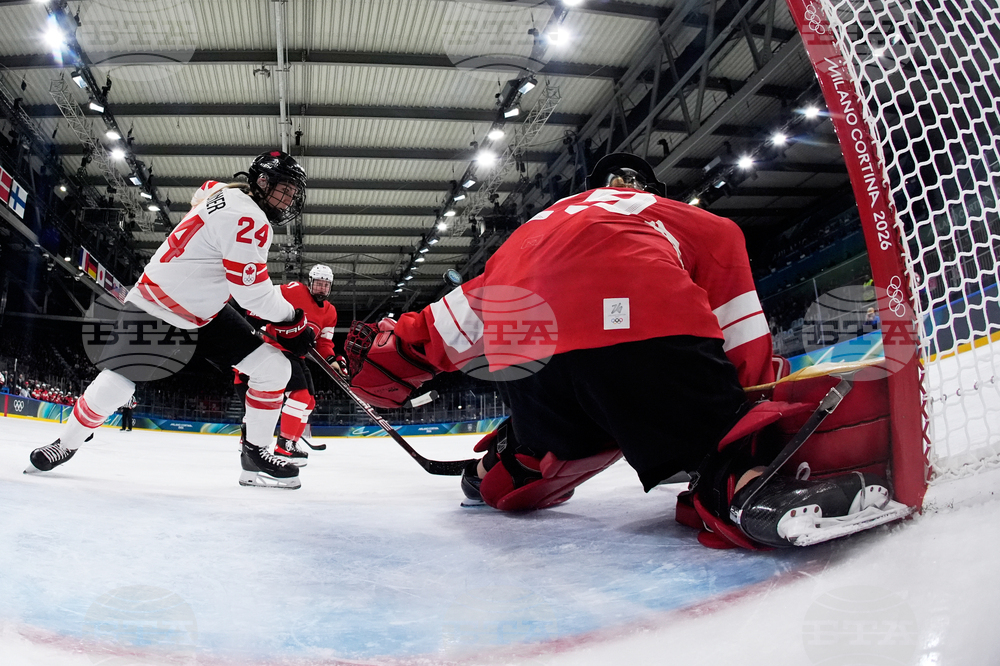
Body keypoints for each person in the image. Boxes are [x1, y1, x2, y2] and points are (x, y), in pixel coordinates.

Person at [345, 153, 895, 548]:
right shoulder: (671, 214)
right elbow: (737, 308)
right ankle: (749, 490)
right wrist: (742, 407)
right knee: (715, 446)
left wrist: (396, 365)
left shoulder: (530, 232)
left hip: (530, 362)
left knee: (546, 445)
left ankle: (501, 468)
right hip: (642, 338)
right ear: (649, 188)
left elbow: (457, 316)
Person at [25, 151, 316, 489]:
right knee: (117, 384)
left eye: (294, 192)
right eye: (285, 189)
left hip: (204, 313)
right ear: (262, 183)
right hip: (157, 308)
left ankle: (255, 452)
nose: (289, 198)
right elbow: (252, 296)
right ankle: (67, 443)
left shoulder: (225, 192)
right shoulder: (250, 219)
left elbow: (203, 191)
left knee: (274, 368)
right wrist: (293, 319)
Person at [234, 263, 344, 465]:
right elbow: (263, 300)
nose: (322, 289)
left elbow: (324, 343)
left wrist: (332, 360)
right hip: (277, 350)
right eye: (319, 284)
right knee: (299, 396)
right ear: (310, 282)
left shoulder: (330, 312)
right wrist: (254, 320)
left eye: (326, 285)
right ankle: (284, 446)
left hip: (297, 356)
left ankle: (290, 441)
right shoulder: (293, 290)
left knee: (309, 402)